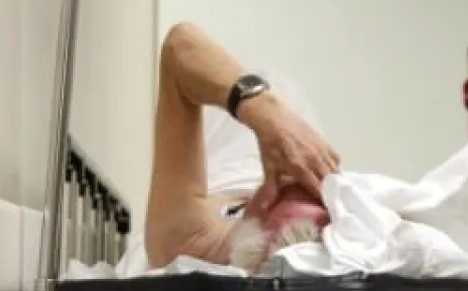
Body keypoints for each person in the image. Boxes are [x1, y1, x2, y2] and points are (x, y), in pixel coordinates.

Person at [146, 22, 342, 271]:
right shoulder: (336, 235)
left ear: (253, 209)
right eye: (313, 191)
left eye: (288, 188)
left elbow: (180, 45)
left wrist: (266, 113)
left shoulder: (192, 242)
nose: (289, 172)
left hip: (223, 146)